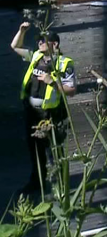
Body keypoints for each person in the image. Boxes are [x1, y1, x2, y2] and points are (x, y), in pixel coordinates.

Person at [11, 23, 76, 196]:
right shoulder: (35, 56)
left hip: (51, 114)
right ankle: (37, 182)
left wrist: (52, 82)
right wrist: (21, 31)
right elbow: (15, 46)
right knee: (35, 149)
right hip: (32, 112)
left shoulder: (64, 63)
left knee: (54, 151)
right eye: (39, 41)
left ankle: (60, 186)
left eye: (43, 41)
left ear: (55, 44)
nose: (40, 43)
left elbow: (71, 90)